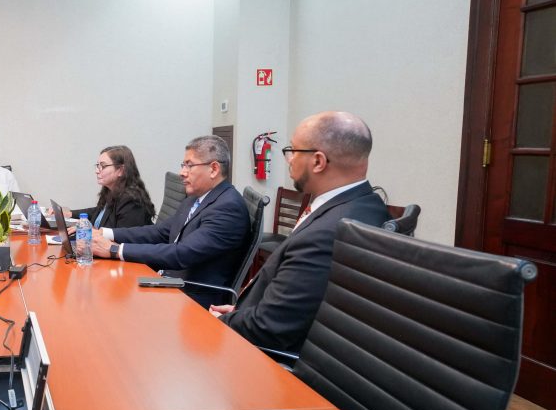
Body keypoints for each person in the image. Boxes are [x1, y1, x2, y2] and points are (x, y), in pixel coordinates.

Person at [211, 111, 391, 355]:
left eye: (293, 151)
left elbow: (270, 328)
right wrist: (240, 312)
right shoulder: (369, 205)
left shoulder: (326, 233)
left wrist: (214, 325)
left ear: (318, 161)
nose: (289, 160)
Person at [91, 135, 250, 308]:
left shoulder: (228, 207)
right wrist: (105, 233)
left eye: (189, 165)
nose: (182, 172)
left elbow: (182, 254)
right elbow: (160, 232)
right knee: (105, 291)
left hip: (193, 298)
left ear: (213, 169)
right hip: (170, 281)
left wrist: (115, 250)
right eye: (183, 165)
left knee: (113, 301)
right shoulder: (196, 198)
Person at [63, 145, 154, 229]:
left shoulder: (131, 201)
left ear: (121, 170)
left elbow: (122, 240)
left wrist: (87, 230)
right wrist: (70, 214)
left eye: (103, 166)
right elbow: (99, 212)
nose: (96, 171)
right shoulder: (111, 190)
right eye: (97, 166)